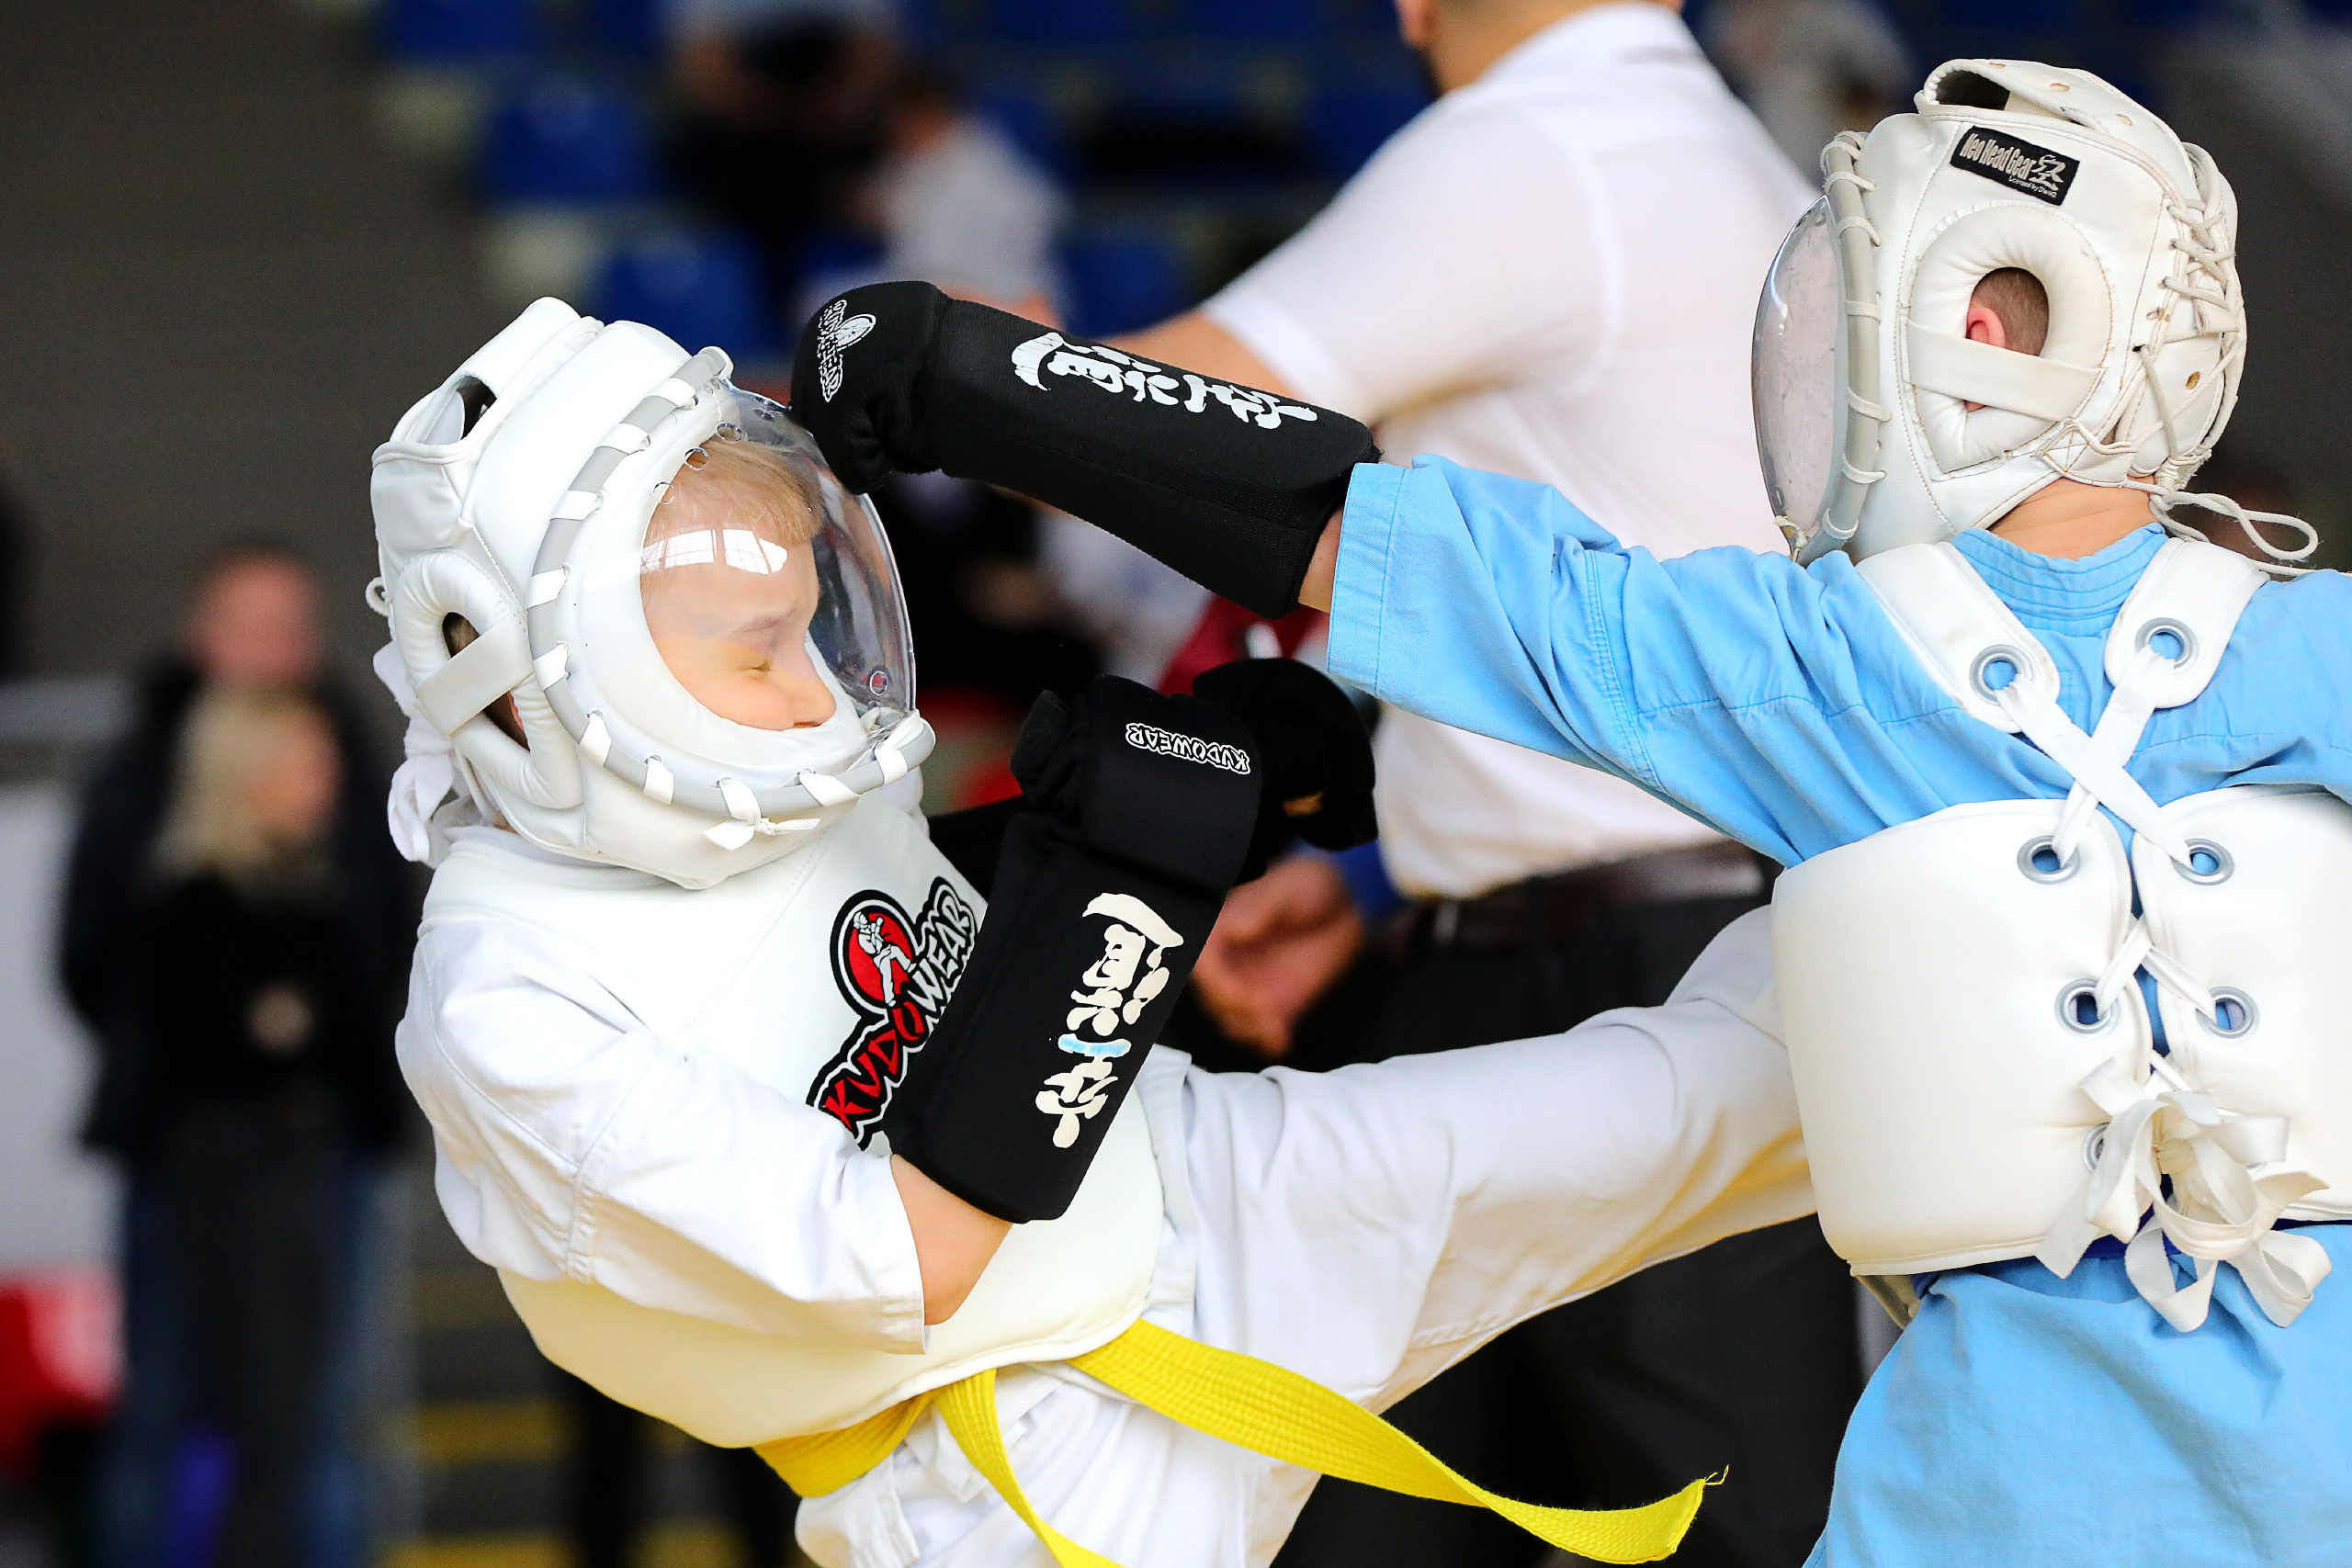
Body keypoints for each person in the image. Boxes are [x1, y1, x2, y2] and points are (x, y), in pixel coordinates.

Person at [791, 56, 2352, 1564]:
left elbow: (1361, 530)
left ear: (1973, 328)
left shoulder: (1831, 668)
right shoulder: (2323, 652)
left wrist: (958, 377)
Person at [372, 299, 1816, 1568]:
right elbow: (906, 1251)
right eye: (757, 649)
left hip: (1187, 1177)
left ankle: (2016, 939)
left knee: (1729, 1087)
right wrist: (1123, 872)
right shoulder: (510, 1005)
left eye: (811, 628)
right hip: (1006, 1464)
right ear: (530, 684)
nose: (815, 691)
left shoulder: (720, 785)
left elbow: (886, 949)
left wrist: (1211, 778)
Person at [1102, 1, 1849, 1557]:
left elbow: (1168, 420)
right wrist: (1382, 884)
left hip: (1647, 980)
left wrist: (954, 362)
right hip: (1582, 949)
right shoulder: (1689, 142)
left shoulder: (1550, 137)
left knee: (1718, 1526)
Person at [61, 546, 414, 1568]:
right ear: (199, 635)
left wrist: (293, 1031)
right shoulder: (138, 780)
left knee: (315, 1422)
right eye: (248, 625)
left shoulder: (352, 769)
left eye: (288, 626)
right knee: (169, 1411)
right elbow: (97, 962)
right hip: (185, 1146)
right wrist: (220, 1043)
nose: (270, 650)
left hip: (325, 1143)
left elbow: (379, 960)